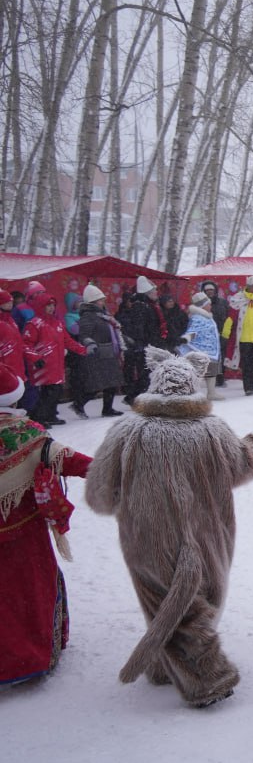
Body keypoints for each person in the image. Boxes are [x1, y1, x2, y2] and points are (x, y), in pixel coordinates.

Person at [86, 349, 253, 707]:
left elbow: (98, 494)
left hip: (147, 538)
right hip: (209, 534)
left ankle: (164, 663)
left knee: (164, 599)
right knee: (200, 602)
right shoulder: (213, 430)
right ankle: (207, 679)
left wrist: (121, 502)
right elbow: (243, 464)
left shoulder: (127, 431)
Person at [0, 365, 93, 686]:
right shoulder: (27, 436)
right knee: (28, 592)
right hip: (24, 536)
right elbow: (73, 462)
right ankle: (27, 658)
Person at [22, 291, 88, 427]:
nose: (51, 308)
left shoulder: (57, 323)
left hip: (56, 364)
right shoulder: (34, 324)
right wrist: (35, 358)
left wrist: (84, 350)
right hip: (43, 365)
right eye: (48, 305)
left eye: (53, 305)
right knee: (47, 393)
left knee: (56, 391)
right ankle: (38, 419)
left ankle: (50, 415)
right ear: (41, 306)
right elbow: (25, 344)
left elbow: (68, 341)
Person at [72, 285, 126, 417]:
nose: (103, 302)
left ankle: (107, 409)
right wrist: (90, 344)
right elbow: (84, 335)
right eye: (101, 300)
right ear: (93, 302)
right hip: (98, 354)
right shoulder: (88, 316)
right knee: (97, 385)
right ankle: (78, 404)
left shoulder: (103, 315)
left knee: (112, 383)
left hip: (108, 352)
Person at [179, 290, 224, 401]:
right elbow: (193, 331)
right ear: (203, 306)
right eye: (208, 304)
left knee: (211, 371)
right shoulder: (197, 318)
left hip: (210, 349)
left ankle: (211, 392)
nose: (210, 305)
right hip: (200, 349)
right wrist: (187, 338)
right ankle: (194, 393)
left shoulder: (208, 317)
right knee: (198, 371)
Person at [200, 281, 231, 388]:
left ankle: (220, 378)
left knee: (221, 357)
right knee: (210, 358)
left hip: (222, 333)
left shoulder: (223, 302)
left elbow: (229, 316)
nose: (209, 292)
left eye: (211, 290)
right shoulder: (200, 304)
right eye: (207, 290)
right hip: (208, 335)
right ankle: (211, 379)